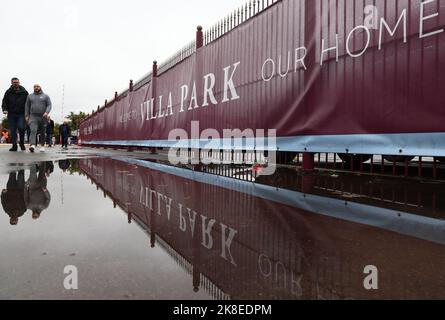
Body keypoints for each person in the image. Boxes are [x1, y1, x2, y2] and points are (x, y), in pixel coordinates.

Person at [2, 78, 28, 152]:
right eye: (14, 82)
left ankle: (22, 143)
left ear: (19, 82)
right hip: (11, 114)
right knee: (13, 130)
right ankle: (14, 145)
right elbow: (4, 101)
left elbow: (28, 103)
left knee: (21, 128)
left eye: (17, 82)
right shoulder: (8, 92)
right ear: (12, 83)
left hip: (21, 113)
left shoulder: (24, 92)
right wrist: (4, 109)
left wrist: (28, 113)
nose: (16, 83)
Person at [25, 84, 52, 153]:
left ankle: (42, 145)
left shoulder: (45, 96)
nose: (36, 88)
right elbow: (27, 106)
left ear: (40, 87)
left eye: (37, 86)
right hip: (33, 116)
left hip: (43, 117)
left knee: (43, 132)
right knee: (33, 130)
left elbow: (49, 105)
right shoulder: (30, 96)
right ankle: (32, 145)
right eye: (34, 87)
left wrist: (46, 112)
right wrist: (27, 116)